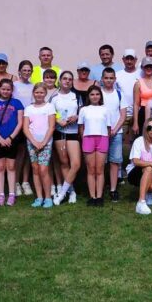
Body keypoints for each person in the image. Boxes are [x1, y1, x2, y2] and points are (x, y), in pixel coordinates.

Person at [0, 79, 24, 206]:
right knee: (0, 166)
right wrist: (0, 138)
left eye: (8, 89)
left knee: (11, 166)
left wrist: (10, 138)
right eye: (3, 89)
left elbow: (20, 123)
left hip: (12, 139)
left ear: (12, 90)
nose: (6, 91)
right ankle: (1, 194)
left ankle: (12, 194)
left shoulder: (17, 103)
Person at [51, 71, 82, 204]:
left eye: (70, 79)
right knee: (64, 163)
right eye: (64, 78)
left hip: (73, 131)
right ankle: (72, 191)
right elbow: (50, 113)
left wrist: (76, 117)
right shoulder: (54, 96)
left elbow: (82, 112)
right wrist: (58, 120)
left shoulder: (76, 96)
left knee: (76, 164)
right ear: (60, 80)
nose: (67, 81)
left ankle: (62, 193)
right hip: (59, 132)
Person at [23, 85, 56, 208]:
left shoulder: (49, 107)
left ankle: (48, 198)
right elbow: (25, 128)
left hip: (45, 142)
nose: (39, 94)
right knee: (35, 169)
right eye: (37, 92)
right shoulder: (29, 108)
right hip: (32, 142)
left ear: (45, 93)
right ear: (33, 93)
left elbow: (51, 126)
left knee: (43, 170)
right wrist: (34, 142)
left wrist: (43, 142)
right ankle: (39, 197)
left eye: (41, 92)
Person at [78, 86, 111, 206]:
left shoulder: (105, 109)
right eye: (92, 94)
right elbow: (81, 127)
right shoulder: (83, 110)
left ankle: (99, 197)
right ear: (88, 96)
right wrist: (84, 139)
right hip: (88, 139)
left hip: (102, 138)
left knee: (100, 169)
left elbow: (108, 127)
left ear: (100, 96)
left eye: (97, 94)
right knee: (91, 169)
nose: (95, 96)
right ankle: (92, 196)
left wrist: (106, 139)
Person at [98, 68, 127, 202]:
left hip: (116, 133)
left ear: (115, 79)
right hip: (100, 133)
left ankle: (113, 189)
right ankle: (101, 187)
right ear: (102, 79)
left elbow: (123, 115)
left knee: (114, 162)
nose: (109, 80)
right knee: (101, 162)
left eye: (111, 78)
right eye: (106, 78)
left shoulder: (119, 94)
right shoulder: (98, 94)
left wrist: (114, 130)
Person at [12, 60, 36, 196]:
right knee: (19, 153)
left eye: (29, 70)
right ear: (19, 71)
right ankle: (16, 182)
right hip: (18, 123)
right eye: (24, 70)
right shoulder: (14, 85)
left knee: (28, 153)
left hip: (31, 123)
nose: (26, 72)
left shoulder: (33, 86)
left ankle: (25, 181)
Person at [131, 57, 152, 135]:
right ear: (142, 68)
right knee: (144, 137)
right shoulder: (138, 83)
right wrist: (135, 122)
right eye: (146, 66)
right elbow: (136, 104)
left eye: (151, 66)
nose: (149, 68)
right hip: (143, 112)